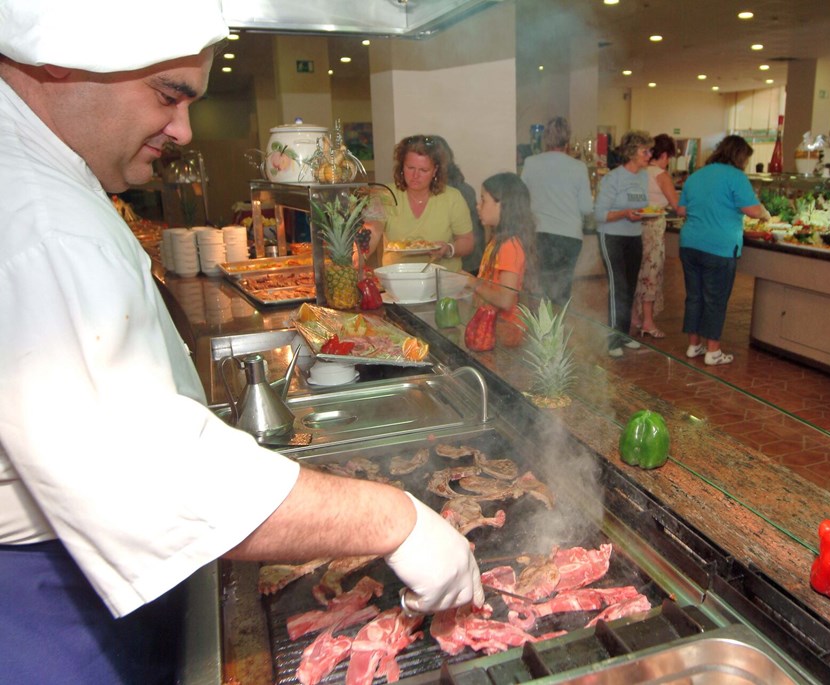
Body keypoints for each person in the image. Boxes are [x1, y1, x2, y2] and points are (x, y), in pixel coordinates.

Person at [0, 2, 482, 682]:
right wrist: (395, 516)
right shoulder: (35, 218)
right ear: (59, 60)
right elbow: (148, 480)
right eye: (169, 96)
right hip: (44, 603)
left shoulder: (42, 168)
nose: (182, 128)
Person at [677, 135, 769, 365]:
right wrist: (764, 212)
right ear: (739, 156)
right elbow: (753, 211)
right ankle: (713, 351)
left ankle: (693, 346)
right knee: (715, 299)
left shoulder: (697, 175)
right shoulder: (735, 177)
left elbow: (681, 210)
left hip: (689, 244)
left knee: (695, 296)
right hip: (719, 246)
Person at [371, 134, 474, 272]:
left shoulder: (452, 197)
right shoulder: (385, 194)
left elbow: (467, 241)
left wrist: (449, 249)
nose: (415, 176)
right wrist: (359, 255)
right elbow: (372, 230)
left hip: (441, 280)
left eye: (423, 170)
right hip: (398, 279)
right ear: (401, 167)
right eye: (410, 168)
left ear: (435, 171)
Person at [520, 116, 594, 305]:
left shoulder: (531, 162)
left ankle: (538, 330)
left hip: (539, 234)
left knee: (539, 287)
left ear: (545, 138)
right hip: (569, 237)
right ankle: (558, 330)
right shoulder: (579, 167)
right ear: (567, 139)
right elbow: (586, 207)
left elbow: (521, 200)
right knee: (562, 289)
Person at [594, 130, 655, 358]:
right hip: (611, 236)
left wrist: (642, 213)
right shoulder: (613, 178)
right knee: (617, 286)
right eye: (645, 151)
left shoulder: (642, 176)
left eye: (650, 150)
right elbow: (599, 214)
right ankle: (612, 339)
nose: (649, 155)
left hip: (634, 236)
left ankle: (623, 333)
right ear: (632, 153)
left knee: (629, 286)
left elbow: (642, 204)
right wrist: (624, 214)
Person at [473, 172, 538, 345]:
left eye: (483, 200)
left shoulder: (510, 246)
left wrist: (472, 283)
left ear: (502, 205)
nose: (478, 206)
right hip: (494, 327)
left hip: (508, 332)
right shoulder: (498, 240)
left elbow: (505, 300)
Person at [631, 133, 679, 338]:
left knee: (637, 272)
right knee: (651, 273)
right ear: (665, 155)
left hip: (634, 227)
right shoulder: (661, 175)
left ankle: (635, 317)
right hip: (653, 228)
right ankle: (648, 322)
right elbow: (677, 206)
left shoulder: (638, 172)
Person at [433, 135, 486, 275]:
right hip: (472, 261)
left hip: (463, 265)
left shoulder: (457, 192)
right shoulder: (465, 188)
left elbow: (473, 235)